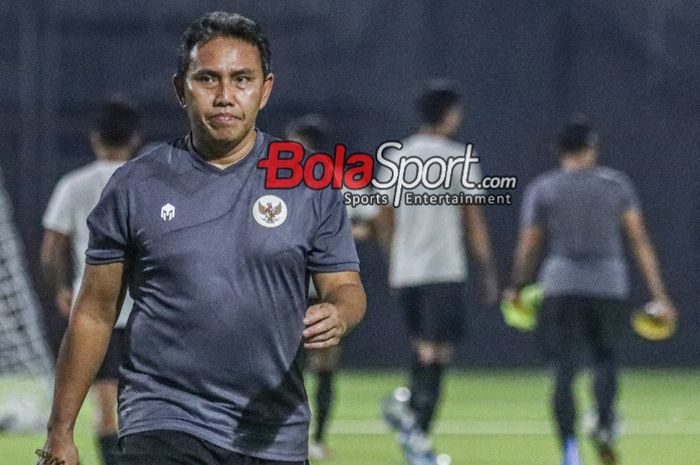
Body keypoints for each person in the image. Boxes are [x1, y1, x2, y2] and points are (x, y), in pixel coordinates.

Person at [37, 11, 365, 465]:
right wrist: (60, 432)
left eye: (242, 79)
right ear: (180, 89)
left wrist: (339, 313)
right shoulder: (135, 186)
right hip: (163, 421)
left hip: (272, 431)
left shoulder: (310, 183)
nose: (226, 96)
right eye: (208, 79)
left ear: (265, 89)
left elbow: (346, 286)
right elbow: (93, 310)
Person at [503, 121, 677, 465]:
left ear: (559, 150)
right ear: (592, 147)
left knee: (563, 372)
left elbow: (529, 243)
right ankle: (603, 421)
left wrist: (517, 284)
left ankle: (570, 449)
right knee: (606, 361)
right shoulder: (615, 186)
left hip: (560, 286)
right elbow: (639, 240)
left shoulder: (545, 187)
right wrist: (659, 294)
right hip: (607, 286)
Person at [378, 80, 499, 465]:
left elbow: (384, 214)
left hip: (407, 272)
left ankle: (411, 421)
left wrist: (394, 256)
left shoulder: (397, 157)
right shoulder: (456, 157)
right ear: (447, 114)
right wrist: (487, 268)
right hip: (443, 269)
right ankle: (418, 438)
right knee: (437, 353)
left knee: (423, 349)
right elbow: (472, 218)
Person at [41, 97, 142, 465]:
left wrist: (61, 290)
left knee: (106, 408)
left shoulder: (75, 184)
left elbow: (52, 247)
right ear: (134, 140)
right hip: (148, 313)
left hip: (97, 311)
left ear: (95, 139)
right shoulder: (147, 182)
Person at [285, 115, 379, 460]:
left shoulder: (338, 180)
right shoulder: (279, 179)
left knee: (323, 363)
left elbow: (371, 224)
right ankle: (300, 436)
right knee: (293, 365)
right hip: (293, 285)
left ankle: (318, 437)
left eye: (294, 143)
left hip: (321, 286)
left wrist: (334, 237)